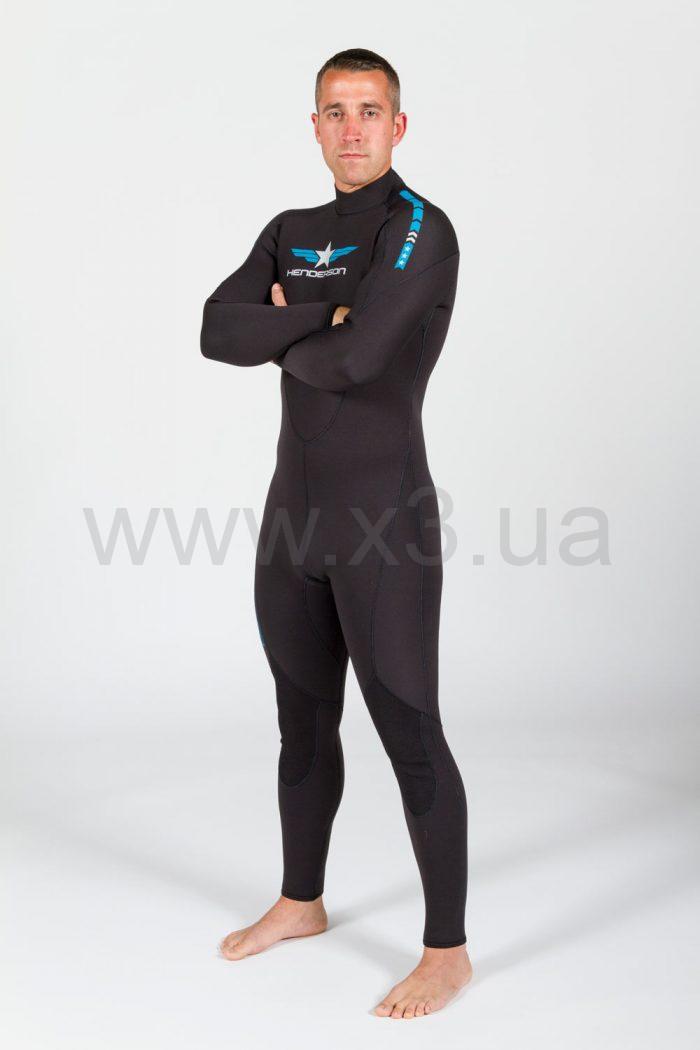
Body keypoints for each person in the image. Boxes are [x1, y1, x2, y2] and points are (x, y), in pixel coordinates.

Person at [200, 48, 472, 1018]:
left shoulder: (419, 229)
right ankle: (301, 901)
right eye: (334, 111)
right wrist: (329, 312)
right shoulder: (291, 230)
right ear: (314, 126)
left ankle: (446, 951)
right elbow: (216, 330)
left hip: (382, 523)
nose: (351, 128)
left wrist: (288, 324)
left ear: (398, 125)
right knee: (302, 721)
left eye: (369, 110)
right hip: (293, 523)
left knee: (408, 728)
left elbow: (355, 363)